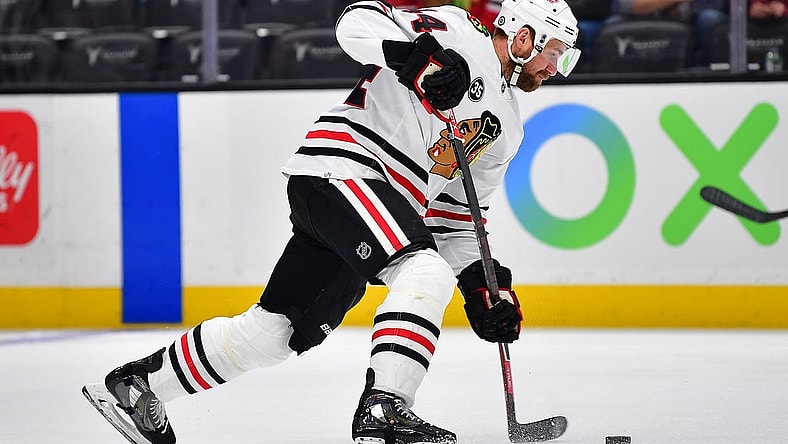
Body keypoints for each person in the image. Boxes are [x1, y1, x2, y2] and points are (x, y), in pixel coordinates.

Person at [81, 0, 581, 443]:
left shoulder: (508, 127)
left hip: (378, 201)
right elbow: (354, 21)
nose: (555, 68)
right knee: (423, 271)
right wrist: (415, 57)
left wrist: (481, 285)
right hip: (347, 169)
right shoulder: (456, 31)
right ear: (523, 35)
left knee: (275, 334)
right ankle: (385, 407)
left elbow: (456, 217)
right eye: (554, 52)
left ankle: (140, 386)